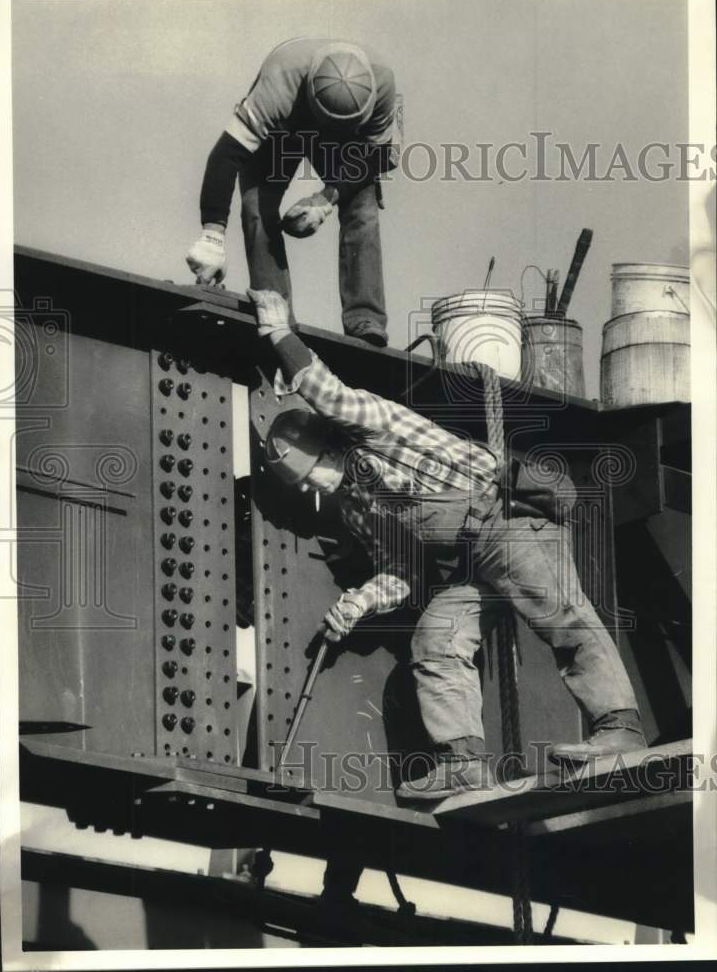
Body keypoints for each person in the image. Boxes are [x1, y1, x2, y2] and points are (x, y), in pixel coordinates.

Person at [248, 288, 647, 801]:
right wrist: (359, 604)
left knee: (560, 614)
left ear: (325, 446)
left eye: (309, 475)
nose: (310, 489)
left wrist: (277, 333)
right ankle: (464, 763)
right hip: (468, 567)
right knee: (435, 639)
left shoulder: (372, 427)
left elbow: (326, 392)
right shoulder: (353, 506)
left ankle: (618, 728)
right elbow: (403, 572)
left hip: (505, 523)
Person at [186, 38, 400, 348]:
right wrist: (212, 237)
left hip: (349, 142)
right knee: (257, 203)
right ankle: (277, 315)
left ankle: (365, 318)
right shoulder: (278, 85)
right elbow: (226, 154)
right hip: (284, 128)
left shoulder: (383, 86)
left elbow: (376, 158)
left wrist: (325, 200)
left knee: (362, 202)